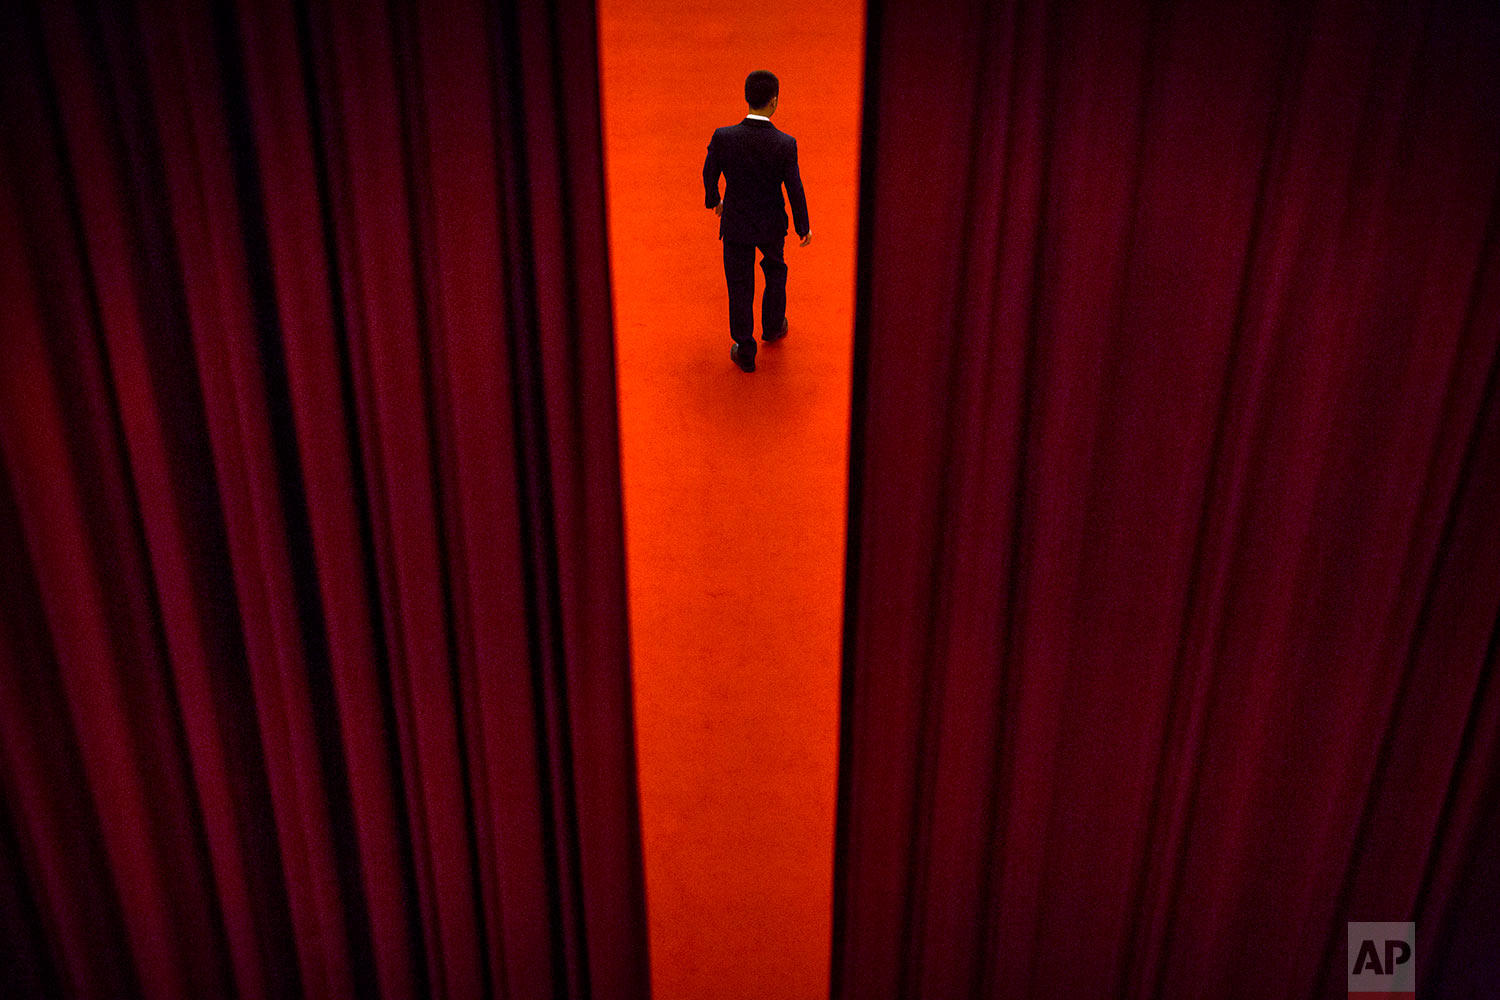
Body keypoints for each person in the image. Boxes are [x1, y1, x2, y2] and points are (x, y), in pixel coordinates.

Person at [702, 70, 811, 373]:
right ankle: (773, 326)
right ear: (774, 102)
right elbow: (794, 188)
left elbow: (709, 172)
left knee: (739, 285)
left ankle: (745, 348)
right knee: (775, 271)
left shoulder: (724, 137)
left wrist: (715, 200)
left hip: (736, 223)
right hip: (771, 224)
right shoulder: (784, 143)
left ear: (747, 97)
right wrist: (803, 226)